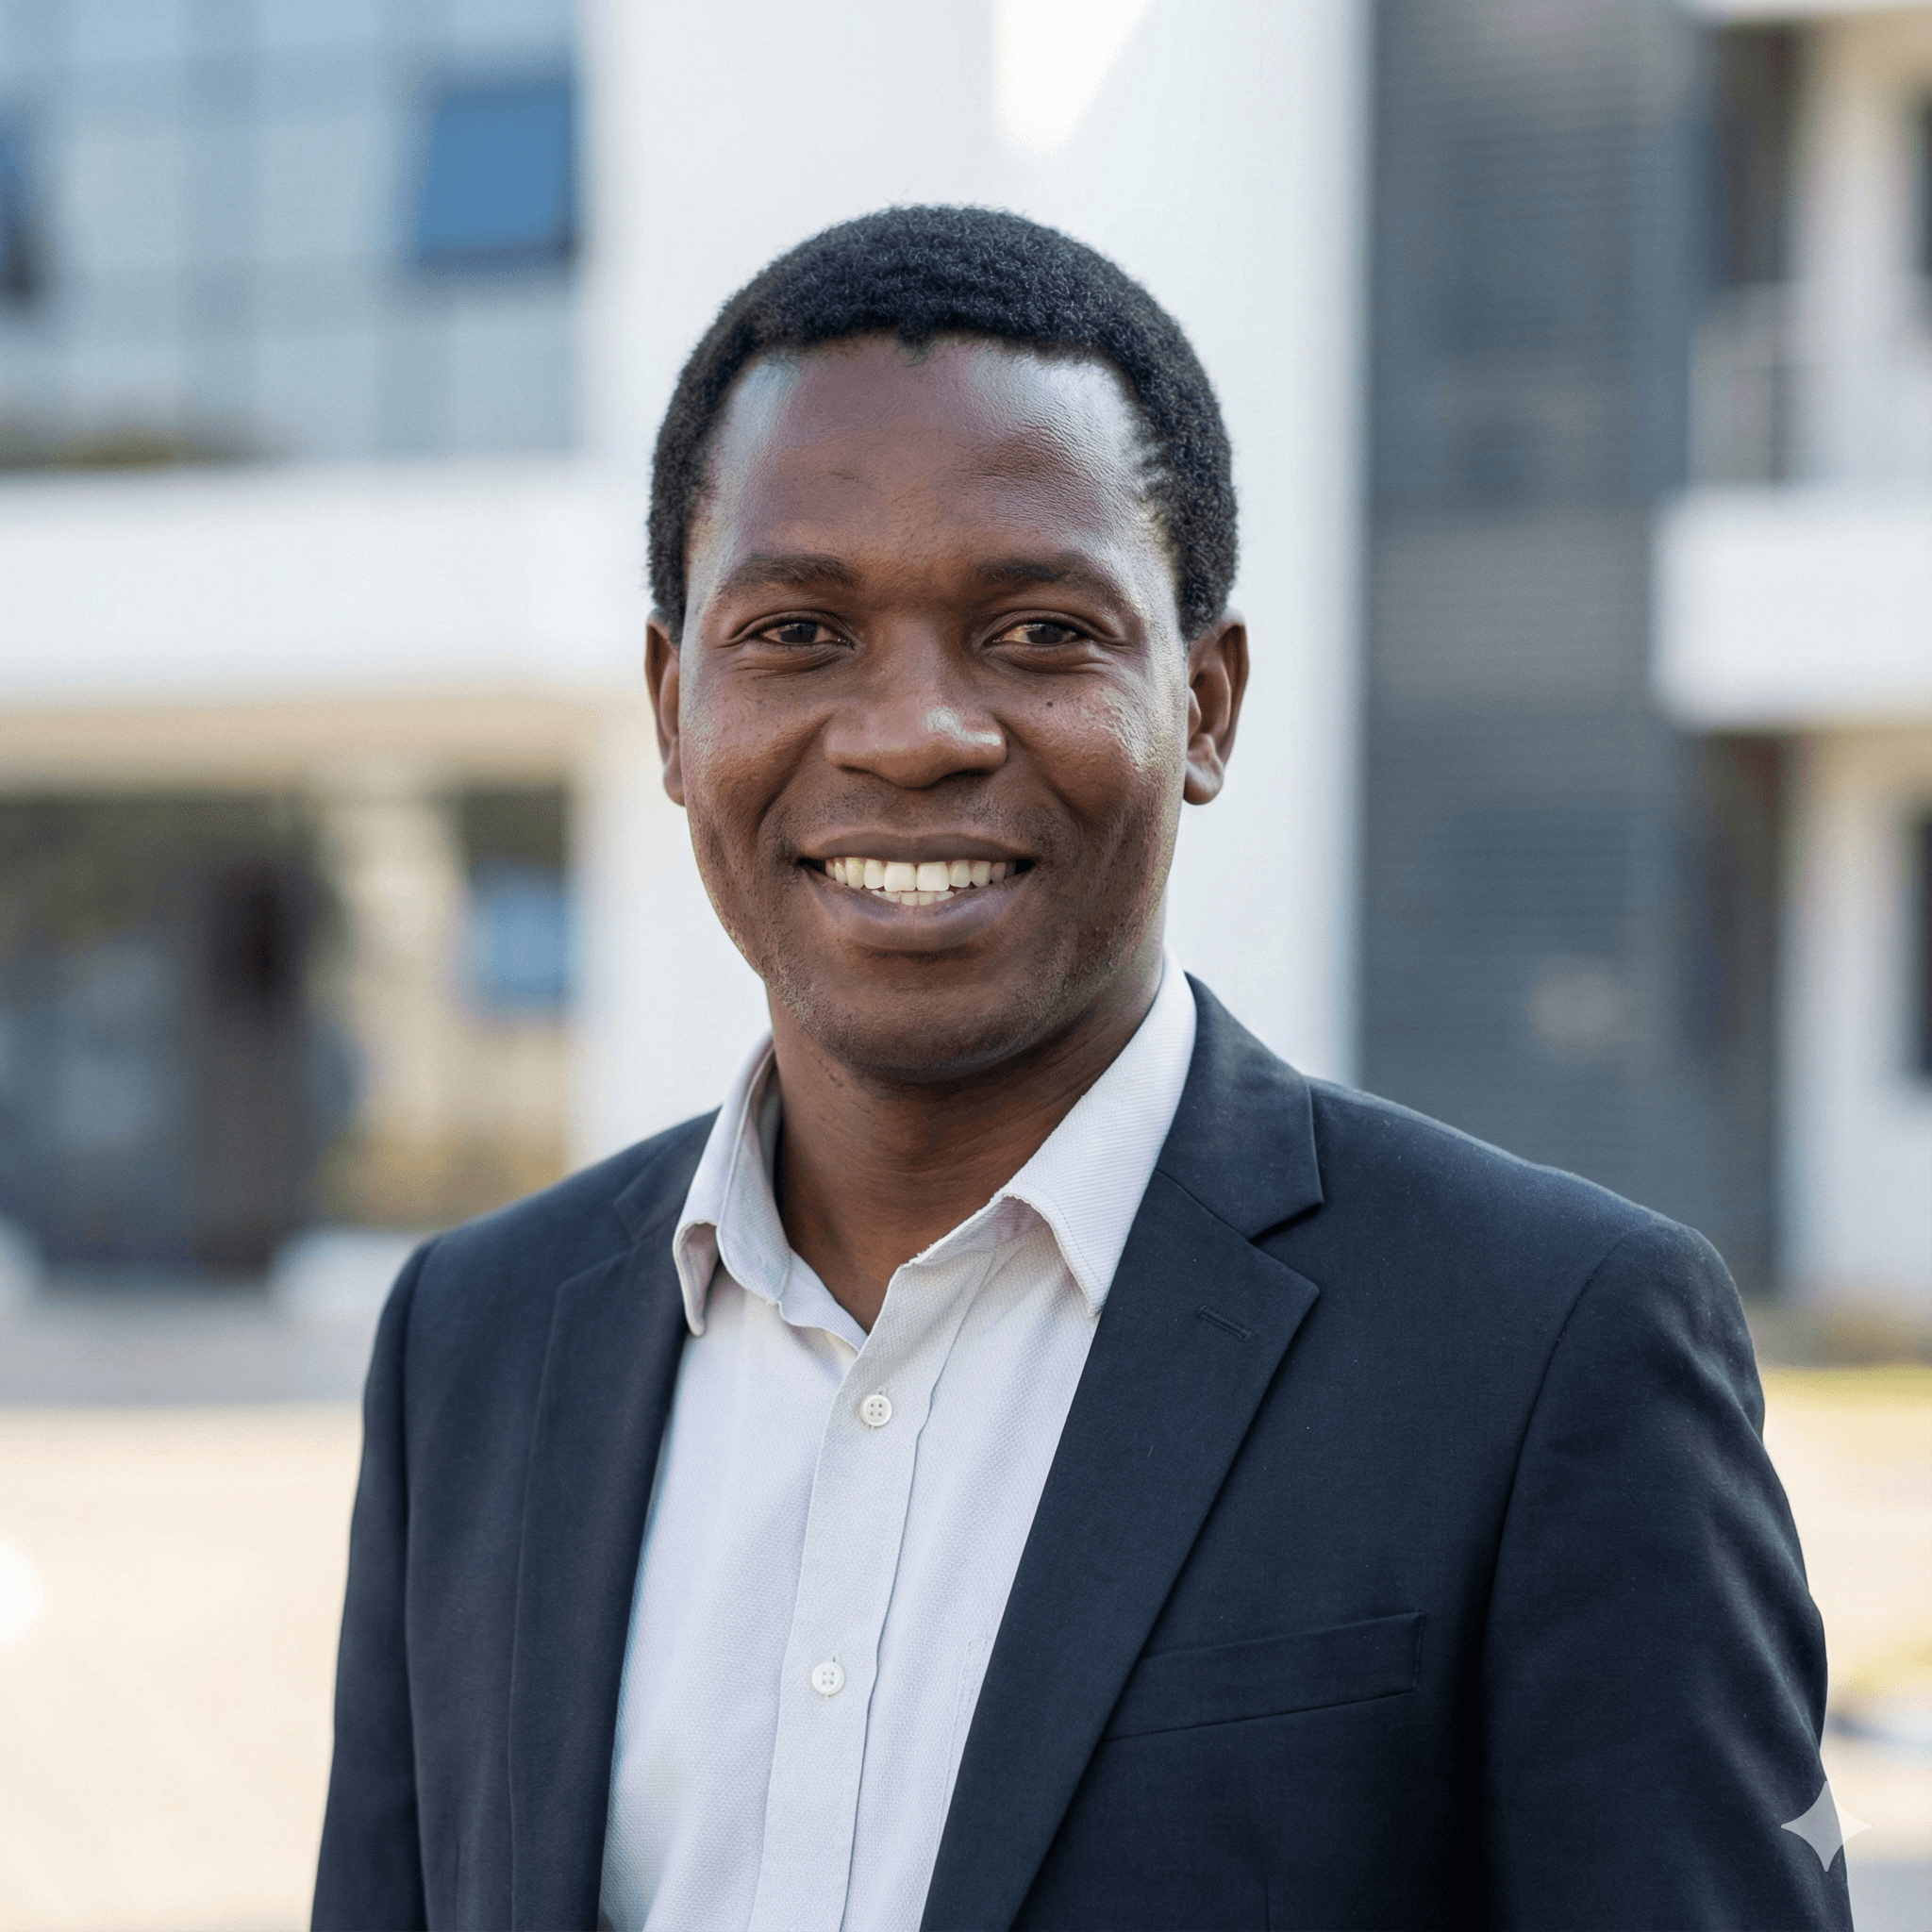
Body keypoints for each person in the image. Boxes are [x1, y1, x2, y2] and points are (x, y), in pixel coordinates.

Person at [313, 207, 1850, 1932]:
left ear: (1206, 704)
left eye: (1040, 632)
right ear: (673, 708)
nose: (914, 733)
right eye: (798, 632)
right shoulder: (475, 1342)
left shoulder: (1549, 1348)